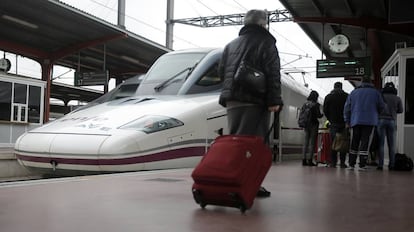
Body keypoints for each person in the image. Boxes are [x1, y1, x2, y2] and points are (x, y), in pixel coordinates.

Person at [218, 9, 283, 197]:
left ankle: (232, 179)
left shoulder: (231, 45)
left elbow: (222, 72)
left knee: (235, 142)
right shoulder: (267, 42)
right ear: (263, 25)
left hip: (232, 102)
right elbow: (273, 73)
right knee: (254, 144)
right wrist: (274, 100)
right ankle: (249, 184)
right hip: (255, 101)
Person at [343, 76, 385, 170]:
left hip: (355, 121)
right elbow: (382, 107)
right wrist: (376, 113)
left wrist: (347, 121)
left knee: (354, 141)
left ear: (362, 82)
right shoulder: (376, 93)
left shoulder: (354, 92)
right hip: (370, 121)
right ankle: (362, 164)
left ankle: (351, 164)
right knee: (365, 142)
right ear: (371, 82)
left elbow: (347, 108)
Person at [377, 82, 403, 170]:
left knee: (381, 144)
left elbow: (377, 108)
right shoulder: (397, 98)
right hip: (392, 121)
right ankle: (391, 165)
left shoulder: (381, 97)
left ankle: (380, 165)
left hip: (381, 120)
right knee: (391, 144)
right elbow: (401, 110)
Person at [323, 82, 349, 168]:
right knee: (343, 143)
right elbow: (349, 108)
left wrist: (330, 119)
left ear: (334, 87)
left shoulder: (329, 97)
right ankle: (342, 162)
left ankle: (333, 162)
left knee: (334, 143)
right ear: (341, 87)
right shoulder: (346, 96)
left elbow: (325, 110)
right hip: (343, 123)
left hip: (333, 123)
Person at [302, 90, 323, 166]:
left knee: (306, 142)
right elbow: (318, 115)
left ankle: (303, 160)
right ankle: (310, 160)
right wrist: (322, 115)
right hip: (313, 125)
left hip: (306, 125)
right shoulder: (316, 105)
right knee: (312, 143)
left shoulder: (305, 104)